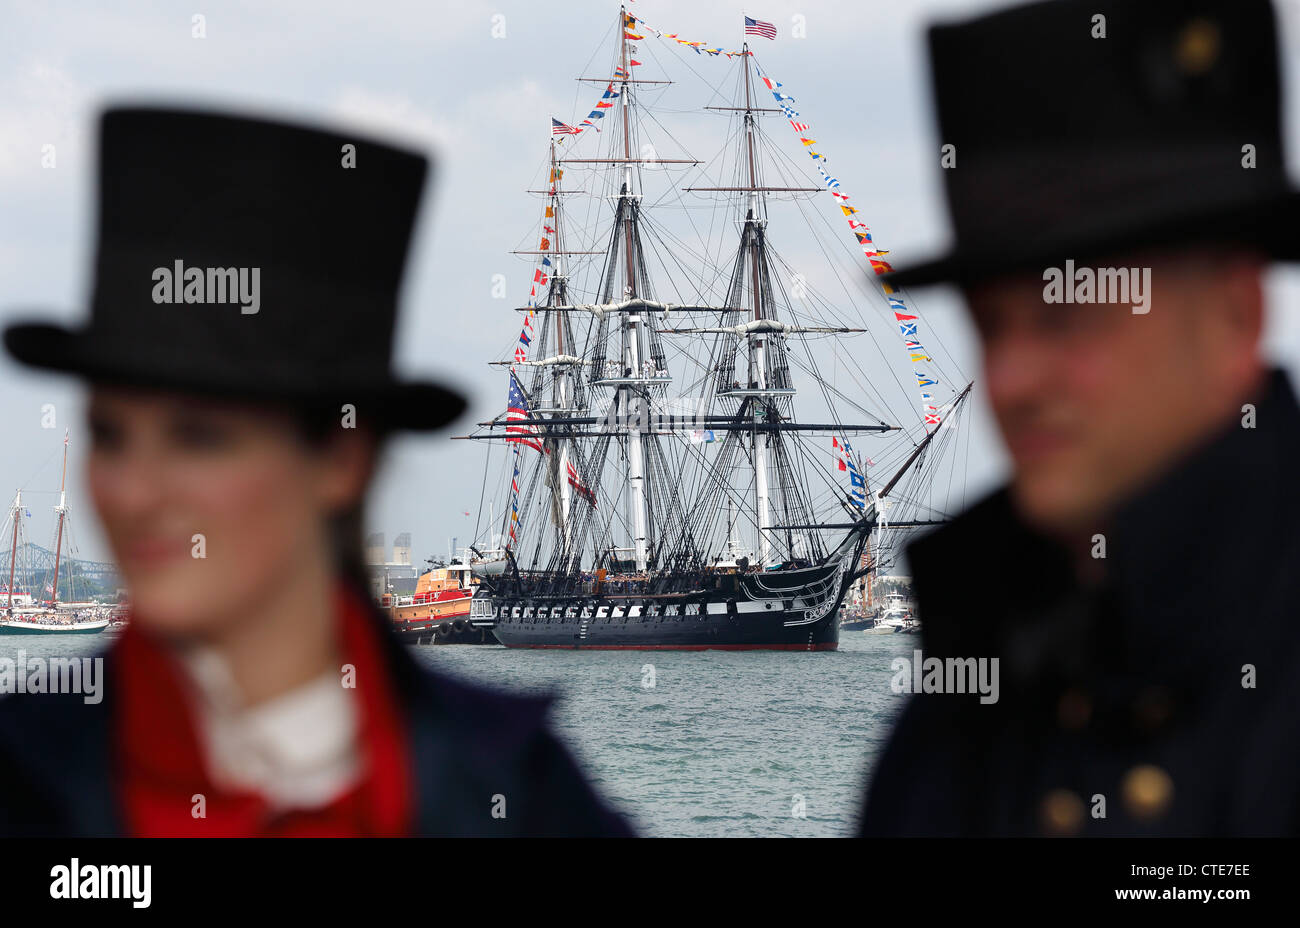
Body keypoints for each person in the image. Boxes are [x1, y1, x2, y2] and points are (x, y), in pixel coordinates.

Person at [0, 105, 633, 837]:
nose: (133, 492)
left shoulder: (526, 797)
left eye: (200, 438)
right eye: (110, 437)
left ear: (341, 456)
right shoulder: (24, 783)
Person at [858, 0, 1300, 836]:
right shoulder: (972, 691)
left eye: (1067, 317)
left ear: (1235, 319)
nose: (1011, 379)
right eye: (991, 326)